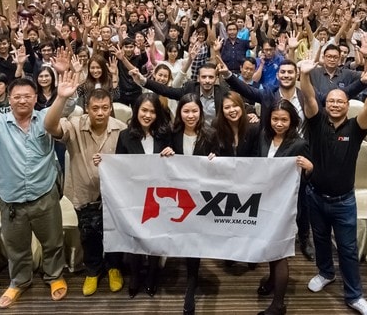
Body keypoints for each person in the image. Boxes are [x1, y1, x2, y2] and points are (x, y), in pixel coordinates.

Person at [0, 56, 67, 309]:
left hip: (44, 194)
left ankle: (54, 276)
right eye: (17, 96)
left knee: (52, 242)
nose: (22, 100)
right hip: (12, 199)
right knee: (17, 247)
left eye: (27, 96)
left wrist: (61, 92)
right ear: (9, 98)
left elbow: (64, 109)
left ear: (36, 97)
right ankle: (19, 281)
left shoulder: (46, 118)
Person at [299, 59, 367, 315]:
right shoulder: (316, 122)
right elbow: (308, 97)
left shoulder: (356, 126)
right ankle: (325, 273)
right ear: (326, 104)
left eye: (340, 101)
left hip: (343, 202)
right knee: (320, 240)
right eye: (331, 101)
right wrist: (304, 75)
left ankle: (354, 296)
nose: (335, 104)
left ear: (347, 105)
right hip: (315, 197)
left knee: (348, 250)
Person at [44, 77, 126, 297]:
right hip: (84, 193)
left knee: (115, 233)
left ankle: (114, 268)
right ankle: (93, 270)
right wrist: (61, 97)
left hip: (114, 196)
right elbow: (49, 126)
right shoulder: (75, 125)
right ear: (87, 108)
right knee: (88, 235)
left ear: (111, 108)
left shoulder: (121, 129)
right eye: (95, 108)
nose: (100, 113)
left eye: (105, 108)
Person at [161, 93, 229, 315]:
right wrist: (165, 154)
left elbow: (222, 161)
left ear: (200, 112)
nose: (190, 115)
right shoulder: (171, 134)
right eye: (186, 111)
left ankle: (191, 282)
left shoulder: (210, 134)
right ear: (179, 112)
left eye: (194, 111)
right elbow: (159, 164)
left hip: (200, 197)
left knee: (194, 239)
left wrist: (215, 159)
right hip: (177, 196)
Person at [250, 100, 309, 315]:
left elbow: (304, 181)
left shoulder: (299, 144)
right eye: (275, 119)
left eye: (284, 119)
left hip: (285, 207)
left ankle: (278, 305)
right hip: (265, 202)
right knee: (270, 247)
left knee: (280, 252)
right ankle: (272, 280)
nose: (279, 123)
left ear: (292, 121)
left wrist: (309, 169)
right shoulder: (264, 137)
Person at [111, 92, 171, 298]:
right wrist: (104, 163)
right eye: (144, 110)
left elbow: (176, 164)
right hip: (134, 196)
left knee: (155, 237)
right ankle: (135, 275)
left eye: (152, 112)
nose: (148, 115)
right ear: (136, 111)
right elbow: (118, 166)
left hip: (159, 196)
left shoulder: (165, 134)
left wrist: (171, 154)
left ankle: (153, 274)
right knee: (135, 237)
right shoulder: (125, 136)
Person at [136, 62, 228, 127]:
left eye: (211, 77)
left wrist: (227, 74)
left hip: (217, 135)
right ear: (198, 78)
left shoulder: (223, 92)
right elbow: (166, 90)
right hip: (194, 133)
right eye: (204, 77)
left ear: (216, 79)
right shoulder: (190, 89)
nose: (207, 80)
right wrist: (144, 81)